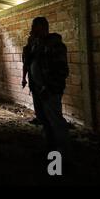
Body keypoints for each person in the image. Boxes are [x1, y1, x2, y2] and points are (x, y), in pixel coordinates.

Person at [23, 17, 70, 155]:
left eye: (34, 26)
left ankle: (63, 153)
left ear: (43, 27)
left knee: (55, 120)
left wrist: (47, 87)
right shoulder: (36, 44)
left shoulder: (55, 45)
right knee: (44, 119)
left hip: (49, 90)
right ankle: (51, 147)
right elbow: (28, 61)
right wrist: (29, 45)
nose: (31, 30)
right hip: (38, 89)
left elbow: (62, 70)